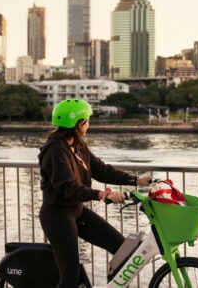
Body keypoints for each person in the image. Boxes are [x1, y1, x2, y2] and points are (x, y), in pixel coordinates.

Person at [38, 99, 151, 287]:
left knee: (122, 249)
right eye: (87, 120)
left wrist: (136, 180)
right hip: (57, 215)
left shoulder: (78, 145)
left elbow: (102, 170)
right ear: (77, 124)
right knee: (70, 277)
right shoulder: (55, 151)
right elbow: (68, 187)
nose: (89, 124)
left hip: (77, 211)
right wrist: (102, 195)